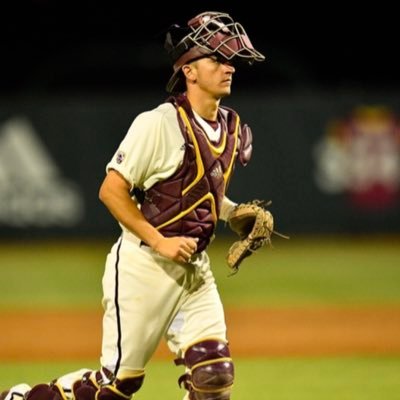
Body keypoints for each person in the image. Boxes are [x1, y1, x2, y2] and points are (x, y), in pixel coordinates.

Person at [1, 10, 266, 400]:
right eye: (216, 58)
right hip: (145, 266)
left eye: (231, 60)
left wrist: (232, 213)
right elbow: (111, 190)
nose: (229, 67)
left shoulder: (229, 126)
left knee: (215, 377)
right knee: (115, 388)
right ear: (189, 71)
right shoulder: (159, 124)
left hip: (193, 270)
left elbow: (200, 191)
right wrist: (160, 242)